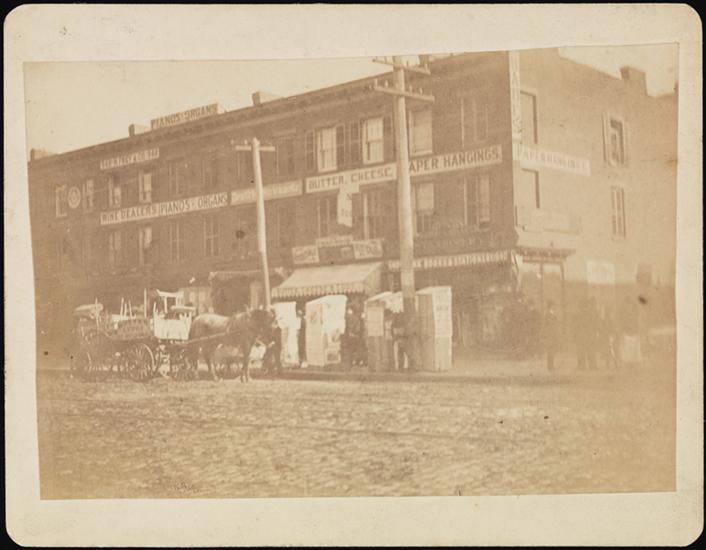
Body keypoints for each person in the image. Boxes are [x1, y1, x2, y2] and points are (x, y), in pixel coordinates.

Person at [543, 301, 561, 371]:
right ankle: (550, 366)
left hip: (553, 335)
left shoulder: (552, 314)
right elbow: (550, 325)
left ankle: (551, 365)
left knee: (552, 351)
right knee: (550, 351)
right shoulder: (548, 315)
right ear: (550, 306)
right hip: (550, 335)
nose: (554, 307)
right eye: (553, 306)